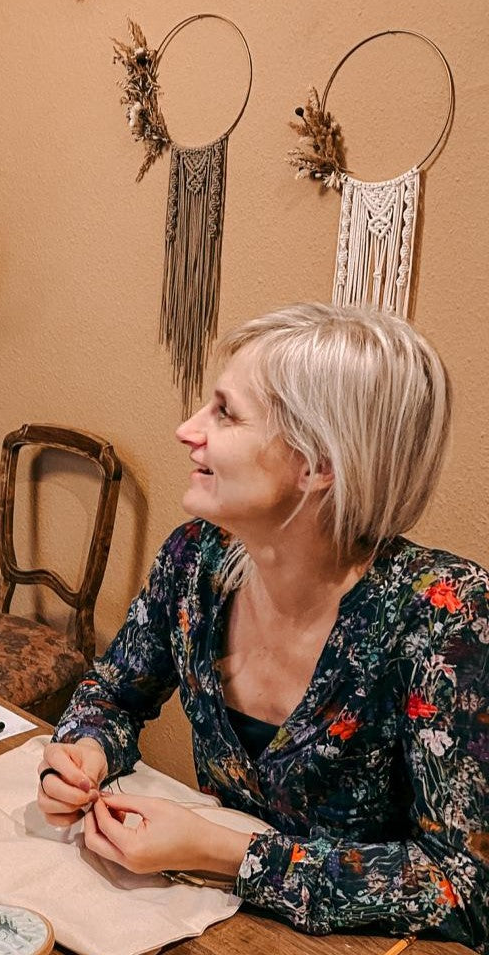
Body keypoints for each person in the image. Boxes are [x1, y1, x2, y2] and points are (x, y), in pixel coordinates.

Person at [37, 303, 488, 950]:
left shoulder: (446, 615)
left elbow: (464, 887)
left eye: (225, 413)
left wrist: (230, 852)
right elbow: (113, 694)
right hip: (200, 927)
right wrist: (86, 751)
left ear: (318, 464)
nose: (187, 430)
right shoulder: (197, 557)